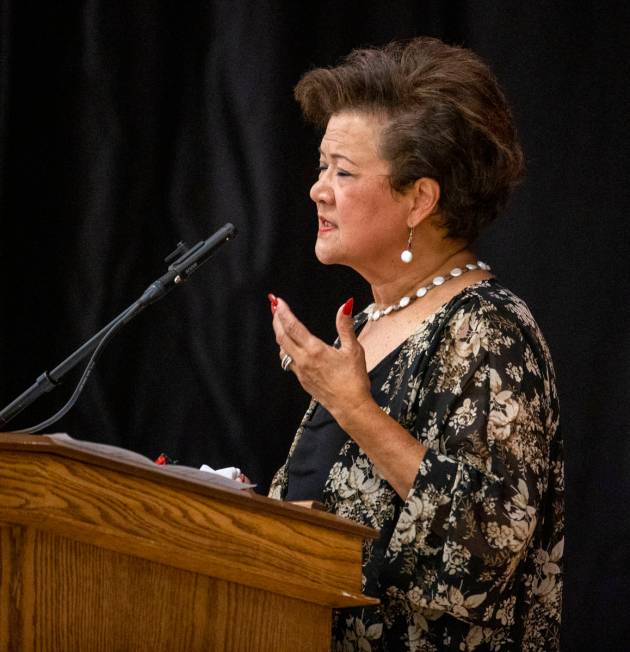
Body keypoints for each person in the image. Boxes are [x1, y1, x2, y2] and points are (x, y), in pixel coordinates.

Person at [267, 37, 563, 652]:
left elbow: (481, 557)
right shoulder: (373, 321)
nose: (318, 189)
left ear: (419, 199)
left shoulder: (488, 330)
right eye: (322, 168)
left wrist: (353, 409)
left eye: (342, 172)